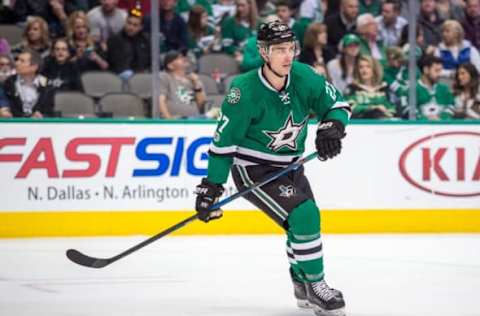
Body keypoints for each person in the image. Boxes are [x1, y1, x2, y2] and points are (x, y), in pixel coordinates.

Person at [193, 21, 350, 316]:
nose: (287, 56)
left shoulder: (305, 76)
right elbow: (223, 144)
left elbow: (338, 104)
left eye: (291, 48)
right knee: (305, 215)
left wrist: (332, 127)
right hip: (254, 170)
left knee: (301, 225)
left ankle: (302, 281)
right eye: (279, 50)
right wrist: (212, 187)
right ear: (264, 52)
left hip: (292, 166)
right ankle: (317, 287)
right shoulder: (243, 92)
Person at [397, 54, 455, 120]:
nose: (439, 74)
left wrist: (441, 118)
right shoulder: (410, 90)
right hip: (418, 129)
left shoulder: (444, 89)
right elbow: (407, 110)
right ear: (426, 70)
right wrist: (426, 120)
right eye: (436, 70)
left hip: (442, 128)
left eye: (440, 71)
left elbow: (451, 106)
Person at [2, 49, 54, 118]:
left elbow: (50, 111)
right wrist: (4, 110)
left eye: (22, 61)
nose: (17, 63)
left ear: (34, 67)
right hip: (14, 124)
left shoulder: (47, 85)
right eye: (17, 60)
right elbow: (3, 101)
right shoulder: (9, 82)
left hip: (40, 126)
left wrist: (42, 116)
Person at [157, 50, 206, 119]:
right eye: (179, 58)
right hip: (174, 120)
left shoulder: (194, 79)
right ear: (170, 66)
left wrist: (196, 83)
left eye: (183, 57)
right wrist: (169, 121)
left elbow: (201, 106)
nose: (184, 59)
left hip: (195, 121)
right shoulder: (164, 77)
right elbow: (160, 101)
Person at [345, 54, 396, 119]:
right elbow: (349, 108)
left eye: (368, 66)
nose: (364, 70)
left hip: (383, 124)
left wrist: (384, 113)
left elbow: (392, 109)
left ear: (374, 69)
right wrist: (371, 108)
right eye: (361, 67)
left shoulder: (384, 88)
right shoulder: (352, 88)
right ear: (357, 70)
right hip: (359, 124)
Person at [107, 8, 151, 81]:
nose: (131, 27)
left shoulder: (146, 40)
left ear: (141, 27)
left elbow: (151, 61)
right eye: (129, 23)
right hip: (121, 77)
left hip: (143, 76)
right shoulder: (115, 40)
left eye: (135, 25)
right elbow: (117, 64)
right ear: (125, 22)